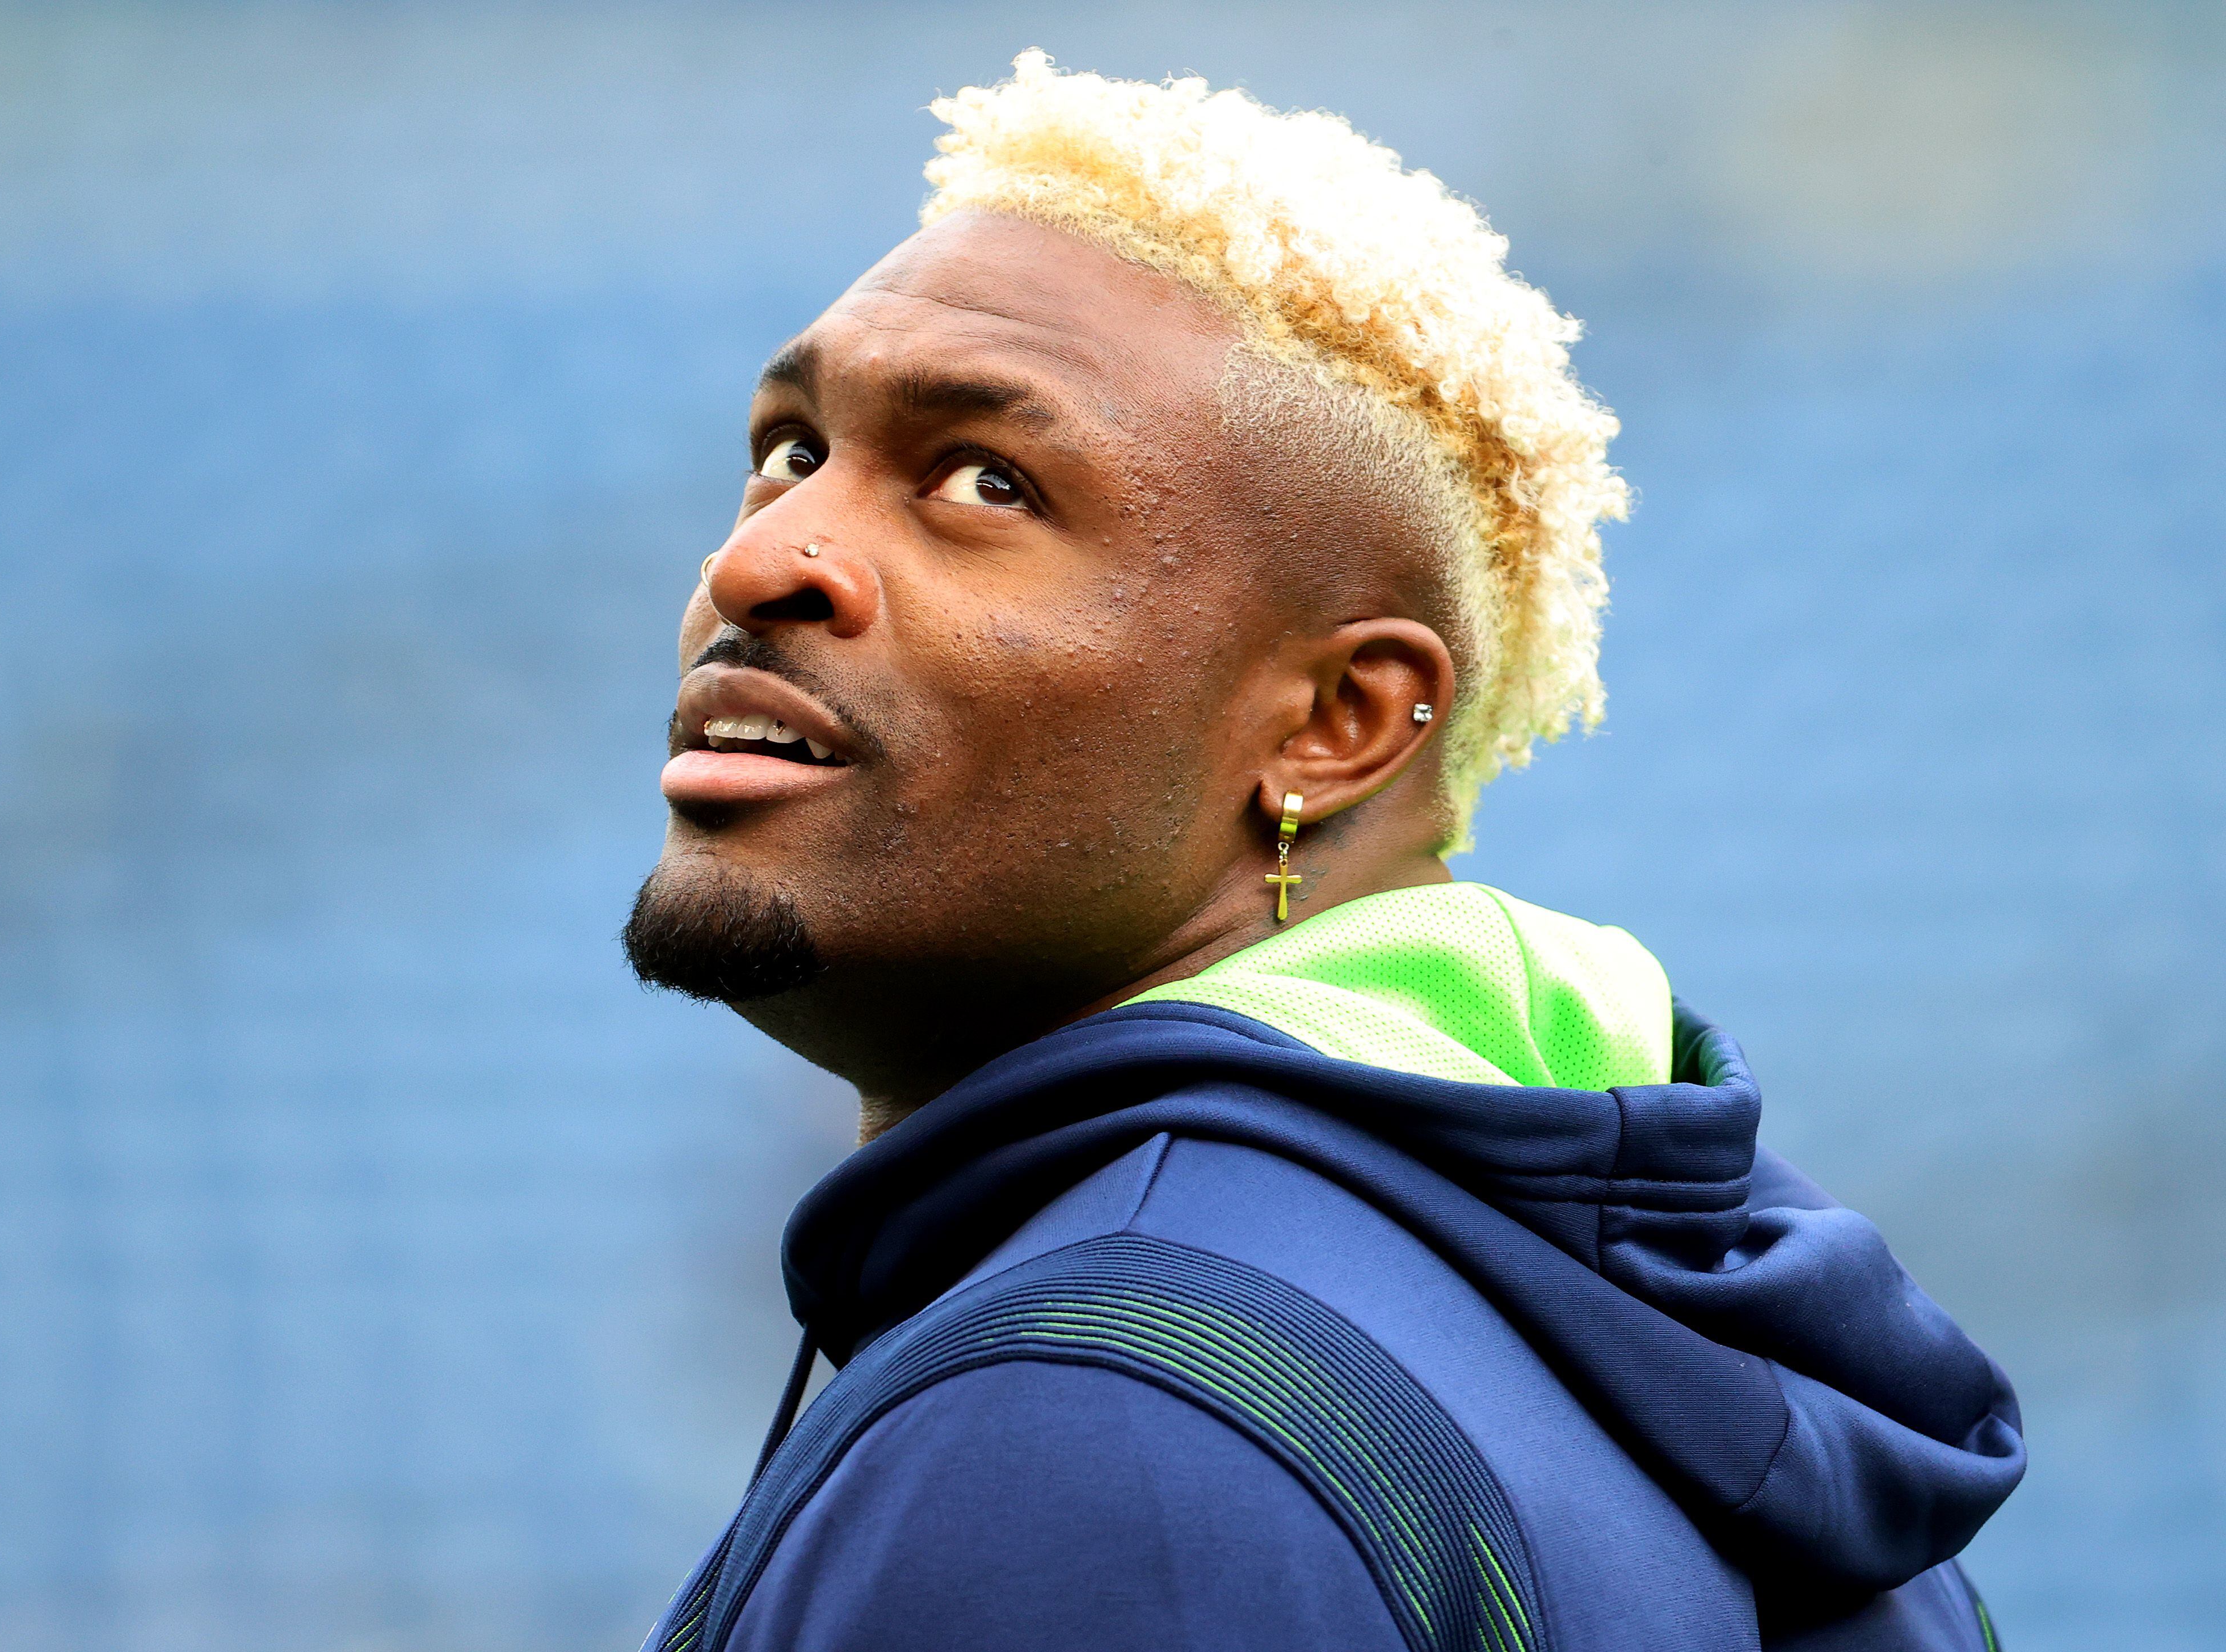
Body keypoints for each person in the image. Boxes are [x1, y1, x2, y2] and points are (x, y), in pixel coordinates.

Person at [621, 52, 2022, 1652]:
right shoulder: (1676, 1373)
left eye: (985, 483)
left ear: (1337, 724)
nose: (760, 557)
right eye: (791, 449)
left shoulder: (1101, 1430)